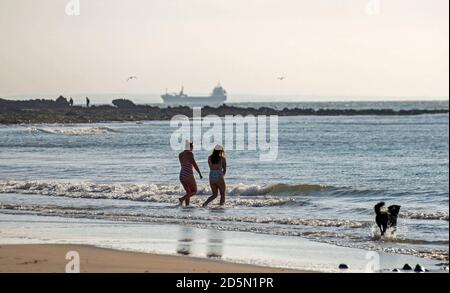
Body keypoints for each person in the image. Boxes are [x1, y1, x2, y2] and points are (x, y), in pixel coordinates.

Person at [178, 140, 203, 206]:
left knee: (188, 192)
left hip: (181, 174)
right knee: (194, 191)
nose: (193, 149)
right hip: (188, 174)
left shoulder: (180, 154)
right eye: (192, 147)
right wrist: (199, 173)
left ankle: (187, 206)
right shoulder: (190, 153)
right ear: (190, 147)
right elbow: (194, 164)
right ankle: (182, 199)